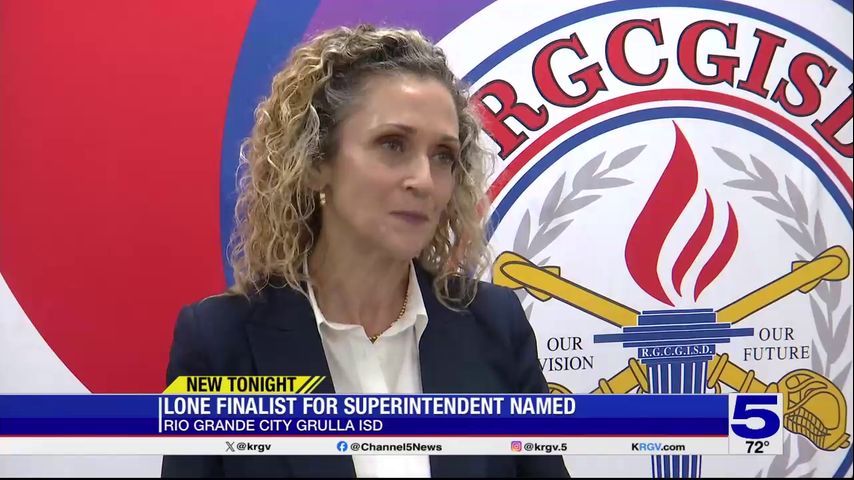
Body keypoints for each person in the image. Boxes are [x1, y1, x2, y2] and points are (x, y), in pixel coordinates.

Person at [161, 24, 569, 478]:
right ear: (316, 163)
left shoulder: (496, 325)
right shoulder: (220, 342)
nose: (424, 180)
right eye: (393, 144)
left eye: (443, 156)